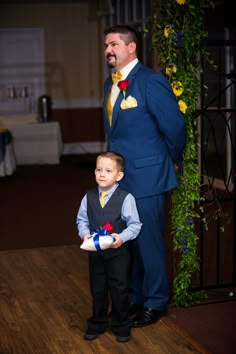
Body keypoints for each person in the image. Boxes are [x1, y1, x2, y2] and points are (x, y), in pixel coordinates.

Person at [103, 25, 187, 327]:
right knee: (127, 242)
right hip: (121, 180)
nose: (108, 50)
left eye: (113, 44)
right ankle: (135, 300)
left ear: (131, 47)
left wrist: (171, 159)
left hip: (149, 176)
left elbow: (176, 127)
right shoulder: (109, 85)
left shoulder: (150, 82)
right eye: (105, 46)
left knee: (149, 242)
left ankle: (155, 301)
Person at [76, 151, 142, 343]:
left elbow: (135, 225)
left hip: (118, 254)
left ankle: (121, 324)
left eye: (108, 170)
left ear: (119, 176)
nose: (102, 174)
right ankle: (97, 322)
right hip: (96, 254)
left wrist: (121, 238)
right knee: (97, 288)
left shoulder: (125, 198)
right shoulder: (88, 197)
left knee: (119, 289)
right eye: (98, 169)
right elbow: (82, 220)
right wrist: (85, 234)